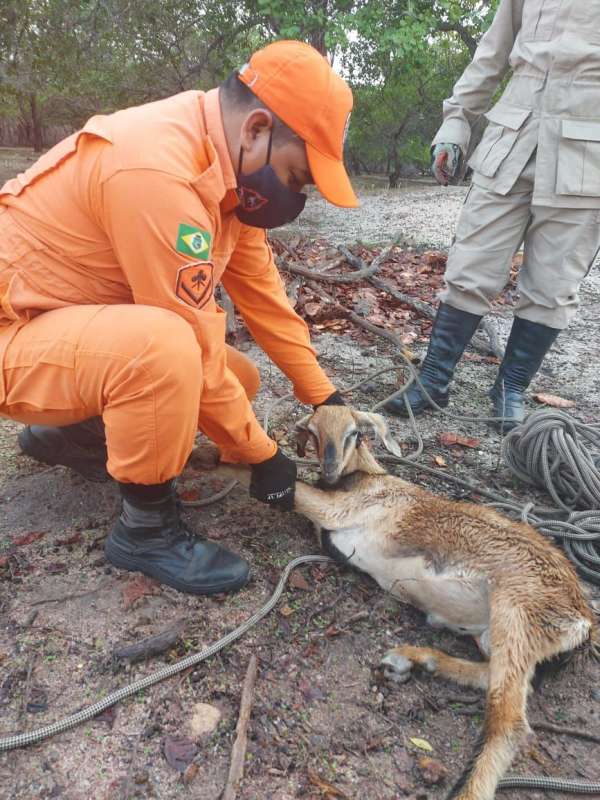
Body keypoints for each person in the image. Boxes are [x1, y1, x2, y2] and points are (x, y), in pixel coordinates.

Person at [0, 40, 356, 596]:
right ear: (256, 129)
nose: (295, 196)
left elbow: (265, 297)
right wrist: (260, 454)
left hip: (56, 324)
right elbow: (188, 335)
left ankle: (68, 435)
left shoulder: (226, 178)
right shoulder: (158, 171)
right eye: (296, 177)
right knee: (166, 349)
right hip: (12, 334)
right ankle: (145, 530)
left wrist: (323, 396)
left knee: (239, 377)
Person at [385, 0, 600, 429]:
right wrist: (456, 123)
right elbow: (492, 52)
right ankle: (434, 378)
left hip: (588, 150)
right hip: (511, 138)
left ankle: (510, 387)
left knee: (554, 284)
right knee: (469, 266)